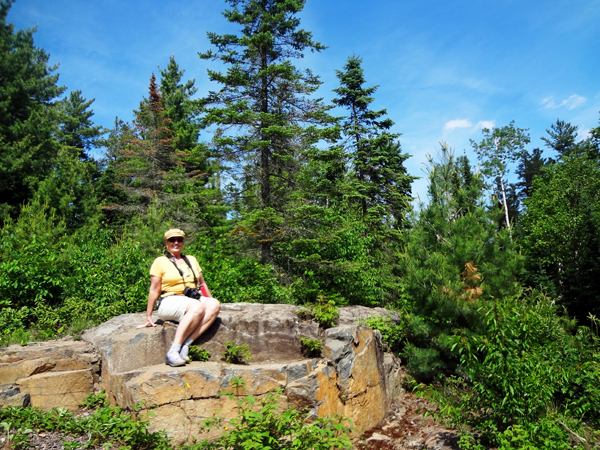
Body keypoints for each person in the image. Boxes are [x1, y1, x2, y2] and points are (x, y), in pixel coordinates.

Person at [138, 228, 221, 366]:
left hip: (192, 298)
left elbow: (201, 283)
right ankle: (173, 351)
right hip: (169, 300)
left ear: (183, 242)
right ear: (166, 242)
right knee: (197, 307)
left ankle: (186, 345)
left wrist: (210, 300)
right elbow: (154, 289)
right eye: (172, 240)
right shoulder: (160, 261)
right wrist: (148, 316)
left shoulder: (191, 260)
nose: (176, 242)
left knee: (214, 305)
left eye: (179, 240)